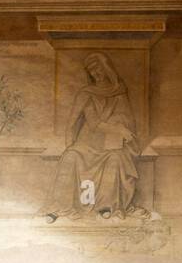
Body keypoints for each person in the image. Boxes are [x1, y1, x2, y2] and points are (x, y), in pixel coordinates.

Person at [45, 53, 143, 221]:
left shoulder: (119, 91)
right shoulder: (87, 93)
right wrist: (118, 128)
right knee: (71, 156)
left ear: (106, 68)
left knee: (116, 159)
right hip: (87, 143)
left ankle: (105, 206)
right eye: (91, 70)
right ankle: (61, 207)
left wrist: (121, 128)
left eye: (98, 68)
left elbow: (128, 120)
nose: (95, 73)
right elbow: (93, 123)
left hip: (110, 144)